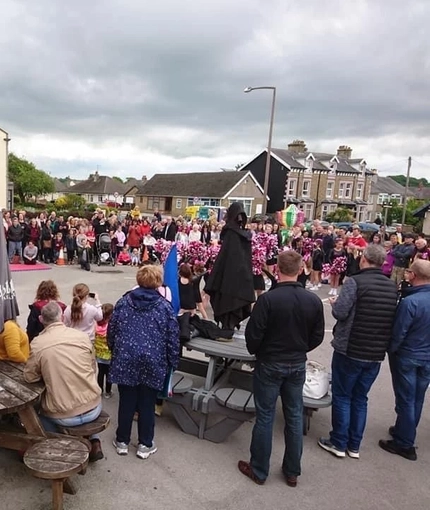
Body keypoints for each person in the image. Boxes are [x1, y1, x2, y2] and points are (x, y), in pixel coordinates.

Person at [238, 250, 324, 487]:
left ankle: (259, 470)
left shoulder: (268, 299)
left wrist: (261, 351)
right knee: (294, 416)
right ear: (301, 270)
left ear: (277, 269)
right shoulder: (312, 300)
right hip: (295, 362)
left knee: (266, 416)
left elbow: (253, 335)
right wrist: (300, 348)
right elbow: (317, 336)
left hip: (271, 361)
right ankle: (292, 471)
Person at [318, 244, 398, 459]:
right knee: (360, 398)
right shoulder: (391, 287)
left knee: (343, 396)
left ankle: (338, 441)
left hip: (351, 347)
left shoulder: (355, 281)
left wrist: (335, 304)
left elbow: (341, 313)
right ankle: (354, 445)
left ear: (364, 259)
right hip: (375, 351)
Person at [108, 264, 180, 458]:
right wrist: (173, 362)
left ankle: (122, 441)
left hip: (125, 358)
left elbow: (112, 330)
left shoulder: (123, 302)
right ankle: (144, 444)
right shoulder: (164, 307)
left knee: (126, 401)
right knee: (147, 404)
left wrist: (115, 350)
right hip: (153, 361)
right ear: (157, 282)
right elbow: (173, 338)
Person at [23, 302, 104, 462]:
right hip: (94, 407)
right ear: (61, 316)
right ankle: (94, 440)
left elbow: (29, 377)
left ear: (41, 319)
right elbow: (93, 368)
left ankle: (61, 444)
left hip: (63, 416)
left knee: (36, 413)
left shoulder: (38, 344)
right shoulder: (82, 337)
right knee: (86, 392)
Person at [379, 259, 430, 461]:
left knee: (406, 398)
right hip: (426, 356)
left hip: (409, 354)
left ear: (413, 275)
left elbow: (399, 331)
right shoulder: (415, 299)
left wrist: (391, 350)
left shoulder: (410, 302)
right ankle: (404, 429)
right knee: (417, 396)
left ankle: (405, 442)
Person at [205, 202, 255, 333]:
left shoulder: (231, 234)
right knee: (232, 301)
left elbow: (225, 257)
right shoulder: (243, 235)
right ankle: (230, 324)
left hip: (228, 276)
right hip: (240, 275)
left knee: (227, 300)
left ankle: (228, 325)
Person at [94, 303, 114, 399]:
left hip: (99, 354)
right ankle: (108, 392)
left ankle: (100, 390)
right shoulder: (110, 326)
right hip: (109, 355)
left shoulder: (96, 326)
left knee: (100, 373)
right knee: (109, 374)